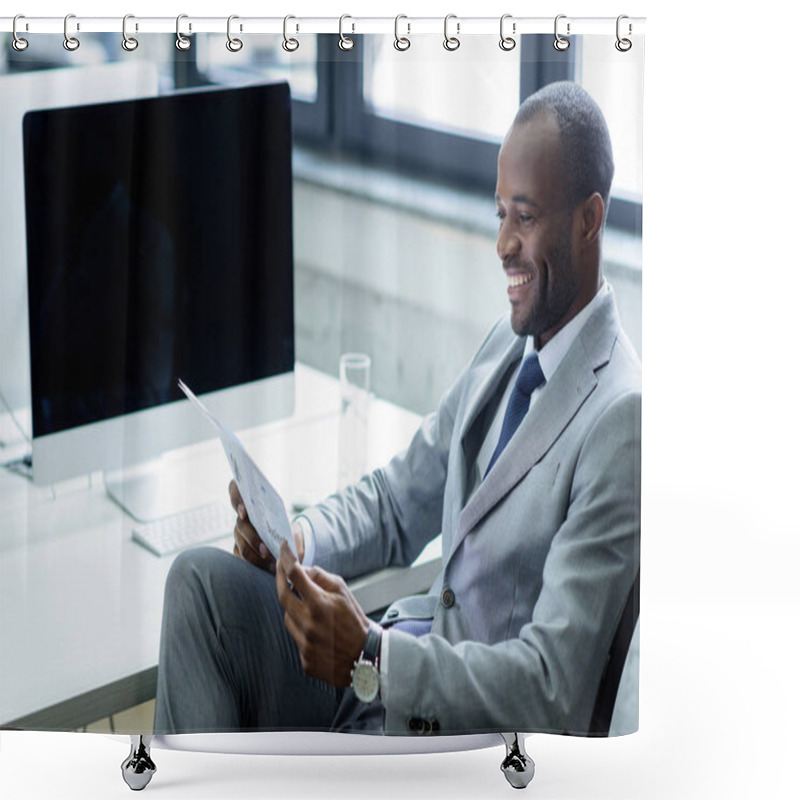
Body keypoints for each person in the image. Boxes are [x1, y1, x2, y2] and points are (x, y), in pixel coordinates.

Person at [154, 80, 641, 737]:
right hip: (382, 674)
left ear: (588, 219)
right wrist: (294, 541)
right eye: (499, 214)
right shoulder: (512, 340)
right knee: (199, 587)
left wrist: (372, 657)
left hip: (447, 735)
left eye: (523, 217)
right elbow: (397, 500)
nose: (502, 244)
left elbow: (552, 688)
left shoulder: (620, 420)